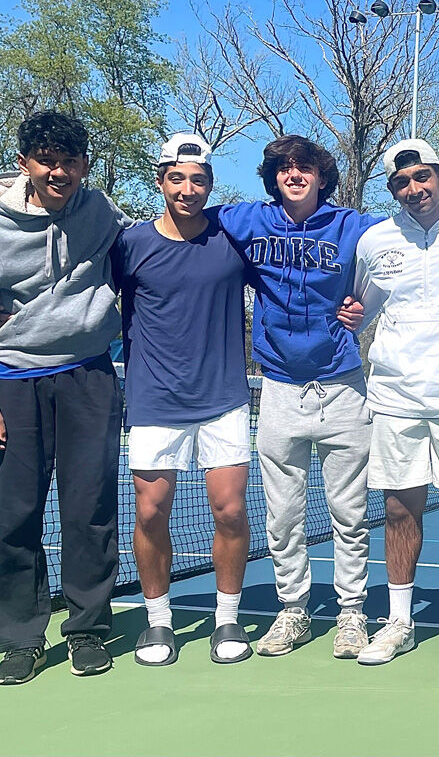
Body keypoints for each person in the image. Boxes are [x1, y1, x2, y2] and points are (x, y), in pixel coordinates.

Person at [218, 136, 382, 660]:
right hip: (279, 391)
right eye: (284, 168)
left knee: (349, 514)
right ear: (273, 177)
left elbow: (415, 231)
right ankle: (293, 611)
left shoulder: (353, 225)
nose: (294, 175)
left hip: (343, 388)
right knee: (283, 516)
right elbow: (188, 215)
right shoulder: (247, 220)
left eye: (304, 167)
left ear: (321, 176)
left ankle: (352, 614)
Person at [341, 139, 439, 669]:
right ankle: (399, 622)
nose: (414, 189)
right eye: (401, 182)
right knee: (398, 510)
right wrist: (350, 316)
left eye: (422, 176)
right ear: (392, 189)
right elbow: (362, 311)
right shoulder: (374, 240)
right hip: (396, 395)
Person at [0, 111, 131, 683]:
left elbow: (153, 250)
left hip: (88, 376)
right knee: (13, 515)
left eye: (69, 161)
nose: (59, 172)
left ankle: (87, 630)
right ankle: (20, 638)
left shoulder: (101, 212)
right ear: (24, 163)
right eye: (47, 161)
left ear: (84, 164)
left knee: (90, 510)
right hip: (11, 380)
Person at [113, 135, 252, 666]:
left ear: (210, 185)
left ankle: (227, 618)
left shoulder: (233, 238)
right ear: (160, 181)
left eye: (198, 180)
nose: (187, 189)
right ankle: (158, 622)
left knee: (230, 510)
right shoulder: (130, 244)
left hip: (224, 399)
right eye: (177, 178)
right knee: (150, 512)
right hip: (153, 400)